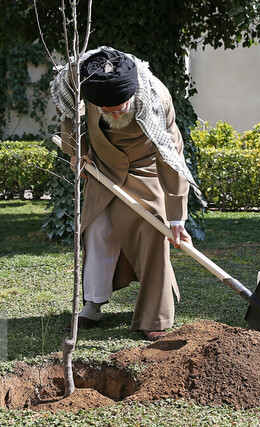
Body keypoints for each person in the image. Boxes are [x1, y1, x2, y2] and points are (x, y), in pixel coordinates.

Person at [50, 46, 200, 341]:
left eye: (120, 107)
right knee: (97, 229)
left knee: (155, 234)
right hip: (103, 168)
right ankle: (92, 304)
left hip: (146, 170)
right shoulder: (81, 78)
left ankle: (155, 317)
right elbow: (68, 114)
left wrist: (176, 219)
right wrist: (76, 152)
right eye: (106, 110)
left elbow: (171, 157)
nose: (114, 113)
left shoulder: (156, 99)